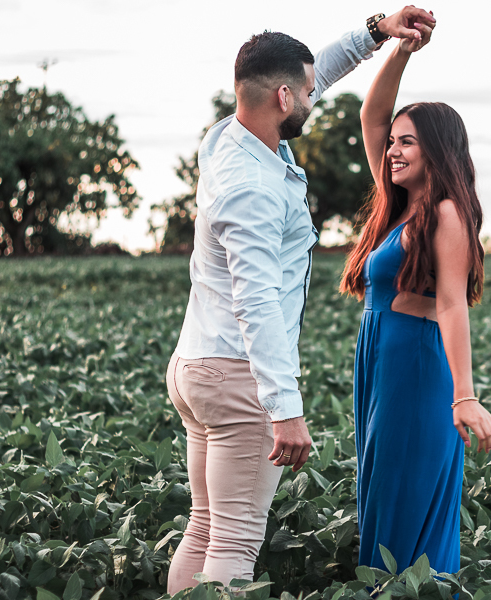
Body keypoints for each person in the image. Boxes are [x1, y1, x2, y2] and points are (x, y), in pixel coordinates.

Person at [164, 8, 437, 594]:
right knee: (235, 539)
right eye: (308, 94)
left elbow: (311, 73)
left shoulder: (230, 136)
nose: (316, 99)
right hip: (239, 376)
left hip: (195, 366)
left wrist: (375, 33)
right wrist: (284, 410)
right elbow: (256, 301)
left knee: (206, 525)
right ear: (284, 98)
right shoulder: (254, 189)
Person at [339, 24, 491, 576]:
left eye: (408, 142)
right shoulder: (399, 205)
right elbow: (370, 118)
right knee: (380, 496)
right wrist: (401, 51)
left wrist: (464, 397)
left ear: (436, 149)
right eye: (394, 143)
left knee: (402, 503)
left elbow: (453, 304)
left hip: (414, 364)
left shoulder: (448, 212)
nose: (393, 150)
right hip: (379, 361)